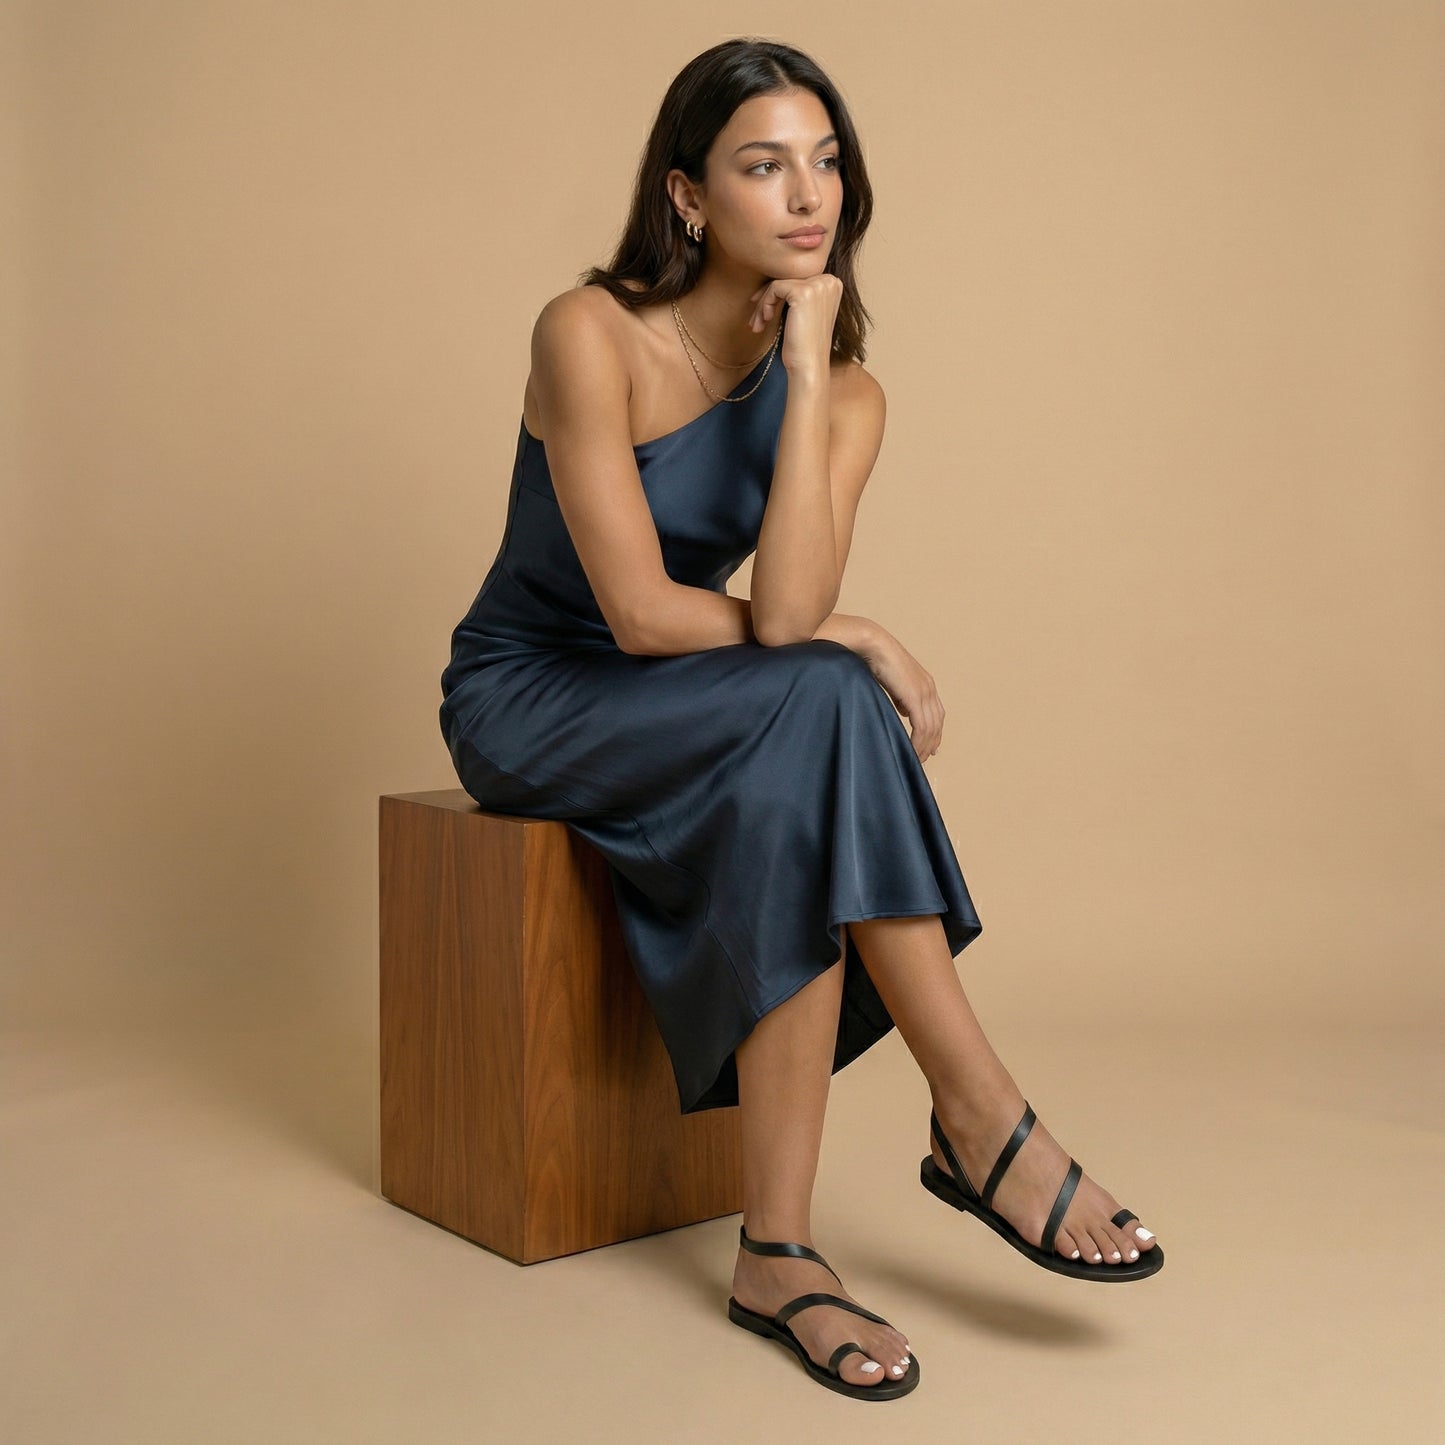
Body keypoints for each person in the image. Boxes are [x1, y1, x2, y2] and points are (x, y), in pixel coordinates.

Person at [438, 37, 1162, 1403]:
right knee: (826, 691)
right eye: (762, 164)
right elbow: (646, 615)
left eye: (824, 161)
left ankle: (777, 1250)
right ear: (688, 198)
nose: (804, 192)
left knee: (799, 764)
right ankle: (977, 1113)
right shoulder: (586, 332)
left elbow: (782, 604)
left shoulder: (850, 393)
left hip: (709, 702)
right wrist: (857, 634)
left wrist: (814, 371)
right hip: (537, 690)